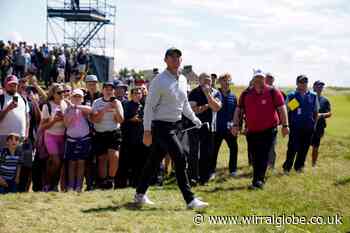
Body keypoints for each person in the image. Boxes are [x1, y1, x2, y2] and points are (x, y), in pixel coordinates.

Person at [134, 47, 208, 209]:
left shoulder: (182, 79)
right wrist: (147, 130)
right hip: (161, 127)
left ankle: (139, 194)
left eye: (178, 57)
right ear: (165, 60)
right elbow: (149, 108)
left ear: (181, 60)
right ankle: (190, 199)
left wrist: (195, 119)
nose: (176, 59)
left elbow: (185, 104)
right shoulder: (159, 80)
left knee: (153, 161)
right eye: (172, 57)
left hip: (176, 125)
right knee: (180, 157)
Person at [232, 70, 289, 189]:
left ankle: (258, 180)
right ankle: (257, 177)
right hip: (252, 131)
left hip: (269, 129)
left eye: (261, 78)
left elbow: (282, 109)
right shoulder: (246, 93)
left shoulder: (273, 92)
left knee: (264, 154)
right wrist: (236, 125)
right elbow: (239, 110)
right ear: (253, 80)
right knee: (254, 155)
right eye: (256, 78)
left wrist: (285, 125)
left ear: (264, 79)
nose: (258, 80)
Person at [188, 73, 222, 185]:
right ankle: (193, 177)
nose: (208, 82)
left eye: (209, 80)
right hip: (195, 127)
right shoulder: (194, 92)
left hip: (210, 128)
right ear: (199, 80)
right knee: (194, 153)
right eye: (205, 80)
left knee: (206, 153)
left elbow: (216, 108)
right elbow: (193, 110)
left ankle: (204, 178)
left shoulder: (216, 93)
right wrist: (207, 106)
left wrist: (208, 95)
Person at [283, 75, 319, 174]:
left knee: (304, 148)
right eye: (301, 82)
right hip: (295, 126)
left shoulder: (313, 95)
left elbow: (316, 111)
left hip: (308, 127)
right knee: (292, 147)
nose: (303, 84)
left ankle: (299, 167)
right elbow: (287, 110)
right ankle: (287, 168)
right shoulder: (292, 95)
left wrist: (314, 124)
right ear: (297, 83)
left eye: (305, 82)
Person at [91, 82, 124, 189]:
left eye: (111, 89)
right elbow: (95, 119)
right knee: (102, 159)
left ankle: (111, 179)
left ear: (113, 91)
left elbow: (120, 120)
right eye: (106, 89)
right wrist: (105, 110)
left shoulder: (117, 102)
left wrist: (115, 109)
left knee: (114, 156)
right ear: (103, 90)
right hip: (100, 133)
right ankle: (103, 182)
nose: (109, 91)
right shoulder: (96, 102)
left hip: (113, 132)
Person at [118, 87, 149, 187]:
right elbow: (122, 120)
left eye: (139, 93)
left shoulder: (143, 105)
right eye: (135, 93)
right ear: (131, 95)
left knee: (139, 163)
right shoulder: (126, 104)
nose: (137, 95)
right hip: (128, 139)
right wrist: (132, 119)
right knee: (125, 163)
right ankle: (122, 184)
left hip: (140, 139)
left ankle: (136, 183)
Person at [40, 83, 68, 191]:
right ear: (53, 94)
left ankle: (54, 185)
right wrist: (55, 120)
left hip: (63, 136)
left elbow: (68, 124)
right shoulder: (47, 106)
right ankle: (47, 183)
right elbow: (43, 126)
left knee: (59, 162)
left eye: (63, 92)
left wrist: (64, 119)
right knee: (56, 161)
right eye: (59, 92)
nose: (62, 94)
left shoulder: (65, 104)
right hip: (50, 136)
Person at [64, 89, 92, 192]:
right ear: (71, 97)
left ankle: (79, 185)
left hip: (84, 139)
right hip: (71, 140)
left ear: (82, 99)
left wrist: (75, 106)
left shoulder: (84, 108)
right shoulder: (67, 109)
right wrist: (71, 112)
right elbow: (66, 124)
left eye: (79, 97)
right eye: (75, 96)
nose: (77, 98)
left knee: (81, 162)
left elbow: (90, 110)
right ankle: (71, 185)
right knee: (71, 163)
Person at [212, 73, 238, 177]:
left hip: (230, 129)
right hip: (217, 128)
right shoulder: (215, 94)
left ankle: (233, 170)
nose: (226, 83)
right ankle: (211, 171)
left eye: (228, 80)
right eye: (224, 80)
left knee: (234, 148)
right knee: (214, 150)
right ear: (220, 82)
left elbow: (237, 112)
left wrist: (236, 126)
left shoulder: (233, 96)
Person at [0, 75, 29, 153]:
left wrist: (26, 134)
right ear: (5, 84)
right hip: (4, 137)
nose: (13, 87)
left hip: (20, 138)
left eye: (15, 84)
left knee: (17, 163)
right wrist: (8, 108)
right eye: (10, 84)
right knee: (4, 162)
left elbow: (27, 118)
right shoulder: (1, 98)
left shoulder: (23, 98)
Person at [264, 72, 286, 170]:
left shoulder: (277, 92)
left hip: (273, 123)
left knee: (272, 146)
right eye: (268, 78)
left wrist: (283, 121)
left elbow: (286, 105)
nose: (269, 80)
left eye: (271, 78)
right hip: (260, 122)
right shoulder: (260, 90)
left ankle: (270, 166)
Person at [311, 81, 332, 167]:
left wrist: (321, 115)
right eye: (318, 86)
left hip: (319, 127)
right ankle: (300, 164)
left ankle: (314, 164)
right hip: (306, 126)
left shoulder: (325, 100)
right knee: (303, 146)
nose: (320, 88)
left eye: (321, 87)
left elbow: (329, 113)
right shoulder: (308, 97)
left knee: (316, 147)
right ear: (314, 87)